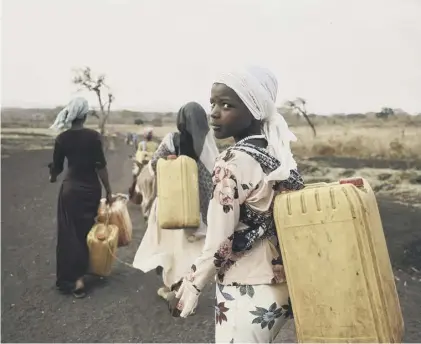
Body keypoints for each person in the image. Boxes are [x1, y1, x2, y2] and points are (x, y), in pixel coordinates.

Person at [171, 66, 305, 343]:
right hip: (283, 283)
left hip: (246, 287)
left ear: (255, 109)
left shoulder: (232, 162)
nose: (214, 113)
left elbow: (219, 244)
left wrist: (191, 287)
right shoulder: (276, 153)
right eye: (213, 103)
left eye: (227, 105)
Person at [132, 101, 219, 301]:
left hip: (171, 205)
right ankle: (187, 289)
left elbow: (154, 166)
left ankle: (172, 288)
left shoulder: (173, 139)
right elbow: (212, 180)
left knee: (170, 249)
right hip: (197, 208)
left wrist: (171, 164)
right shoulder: (209, 144)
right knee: (190, 251)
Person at [48, 97, 113, 298]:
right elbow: (100, 166)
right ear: (84, 115)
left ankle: (74, 280)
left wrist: (52, 174)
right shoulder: (94, 137)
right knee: (86, 232)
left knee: (69, 235)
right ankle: (86, 271)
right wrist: (108, 190)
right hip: (91, 190)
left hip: (70, 190)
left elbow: (56, 170)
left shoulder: (62, 139)